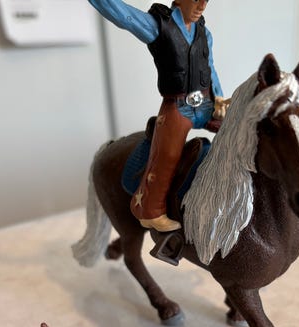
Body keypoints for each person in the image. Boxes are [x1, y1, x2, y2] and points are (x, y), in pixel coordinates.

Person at [87, 0, 226, 232]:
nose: (202, 6)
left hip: (205, 104)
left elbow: (210, 67)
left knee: (239, 131)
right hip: (177, 106)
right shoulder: (158, 25)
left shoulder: (205, 33)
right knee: (168, 152)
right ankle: (150, 210)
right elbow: (123, 15)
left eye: (206, 0)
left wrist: (219, 98)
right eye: (196, 0)